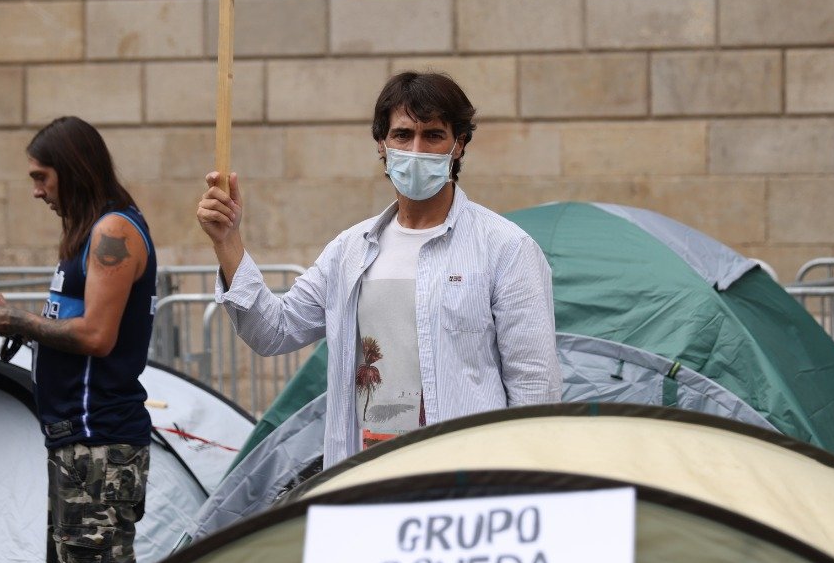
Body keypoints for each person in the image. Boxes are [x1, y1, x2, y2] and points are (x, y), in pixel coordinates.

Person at [196, 70, 562, 468]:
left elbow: (534, 387)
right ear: (382, 144)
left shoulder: (506, 249)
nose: (417, 150)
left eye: (434, 135)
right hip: (364, 477)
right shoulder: (349, 252)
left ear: (458, 145)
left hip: (464, 482)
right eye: (403, 135)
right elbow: (274, 331)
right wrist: (228, 242)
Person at [0, 116, 157, 563]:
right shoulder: (91, 232)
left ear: (73, 170)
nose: (36, 190)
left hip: (100, 443)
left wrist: (18, 321)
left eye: (41, 176)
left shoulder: (114, 231)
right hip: (79, 443)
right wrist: (14, 317)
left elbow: (95, 334)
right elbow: (73, 320)